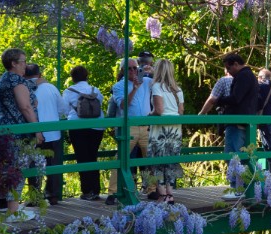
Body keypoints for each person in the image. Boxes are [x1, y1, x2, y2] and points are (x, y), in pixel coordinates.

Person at [0, 48, 43, 222]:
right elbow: (26, 107)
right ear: (13, 63)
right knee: (17, 169)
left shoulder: (5, 79)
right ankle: (13, 211)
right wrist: (37, 130)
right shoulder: (15, 80)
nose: (26, 65)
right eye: (23, 61)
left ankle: (7, 207)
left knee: (9, 168)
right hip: (18, 131)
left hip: (6, 129)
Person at [106, 58, 152, 205]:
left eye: (135, 68)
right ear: (123, 70)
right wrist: (135, 88)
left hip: (145, 125)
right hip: (128, 126)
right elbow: (123, 105)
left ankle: (152, 189)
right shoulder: (119, 86)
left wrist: (153, 71)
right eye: (129, 68)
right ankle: (113, 192)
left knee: (150, 158)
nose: (133, 71)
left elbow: (165, 82)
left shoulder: (146, 81)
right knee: (121, 158)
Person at [24, 64, 70, 205]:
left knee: (33, 165)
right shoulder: (50, 88)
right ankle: (53, 195)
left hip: (32, 133)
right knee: (53, 165)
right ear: (40, 74)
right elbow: (64, 109)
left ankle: (35, 196)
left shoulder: (23, 88)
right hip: (53, 132)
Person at [63, 65, 106, 201]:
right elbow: (100, 102)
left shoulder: (69, 91)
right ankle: (96, 189)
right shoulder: (95, 90)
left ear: (73, 78)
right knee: (93, 156)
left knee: (82, 157)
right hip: (97, 126)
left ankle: (87, 191)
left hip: (77, 127)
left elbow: (64, 110)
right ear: (87, 76)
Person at [148, 59, 185, 203]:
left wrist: (149, 115)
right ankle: (170, 194)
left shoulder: (157, 86)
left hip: (160, 128)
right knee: (171, 161)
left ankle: (162, 195)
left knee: (156, 161)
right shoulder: (178, 89)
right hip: (175, 128)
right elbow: (180, 111)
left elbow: (159, 110)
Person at [215, 53, 259, 157]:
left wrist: (219, 101)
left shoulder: (243, 76)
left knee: (233, 155)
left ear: (236, 64)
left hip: (237, 121)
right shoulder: (250, 75)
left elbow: (236, 98)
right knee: (241, 155)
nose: (228, 72)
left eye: (229, 68)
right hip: (245, 120)